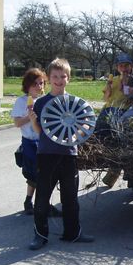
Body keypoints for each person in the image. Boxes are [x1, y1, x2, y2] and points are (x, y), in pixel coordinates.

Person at [28, 58, 94, 250]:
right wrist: (32, 120)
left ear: (68, 78)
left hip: (69, 154)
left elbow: (85, 127)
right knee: (42, 197)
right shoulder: (41, 103)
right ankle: (40, 236)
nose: (59, 80)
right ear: (49, 79)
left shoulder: (75, 103)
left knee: (70, 198)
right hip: (47, 155)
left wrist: (81, 133)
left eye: (63, 76)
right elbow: (40, 132)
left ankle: (72, 233)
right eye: (55, 76)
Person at [11, 68, 45, 214]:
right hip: (29, 142)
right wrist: (30, 116)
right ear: (27, 85)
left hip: (43, 142)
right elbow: (17, 123)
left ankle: (41, 203)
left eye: (41, 83)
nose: (39, 86)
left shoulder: (44, 101)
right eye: (35, 84)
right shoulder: (21, 101)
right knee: (32, 173)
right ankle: (29, 201)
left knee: (44, 174)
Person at [97, 52, 133, 187]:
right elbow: (106, 98)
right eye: (121, 66)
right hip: (109, 108)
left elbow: (127, 94)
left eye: (126, 66)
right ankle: (112, 162)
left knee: (115, 131)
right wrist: (108, 85)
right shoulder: (114, 79)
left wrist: (125, 82)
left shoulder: (132, 79)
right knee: (99, 130)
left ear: (130, 67)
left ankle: (116, 166)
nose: (124, 68)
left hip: (122, 109)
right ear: (117, 67)